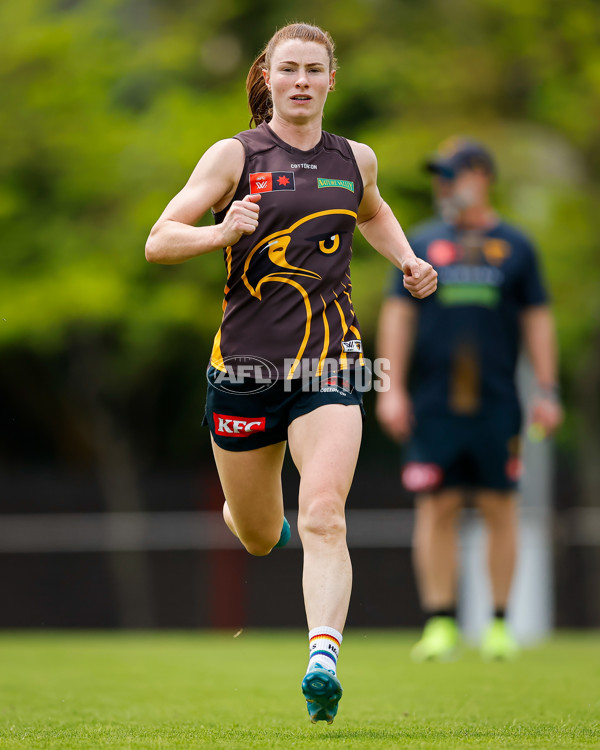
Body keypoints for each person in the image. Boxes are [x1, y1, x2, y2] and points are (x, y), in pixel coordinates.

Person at [145, 23, 437, 722]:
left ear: (332, 79)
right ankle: (257, 520)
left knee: (325, 514)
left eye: (314, 69)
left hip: (331, 364)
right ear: (268, 78)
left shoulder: (355, 160)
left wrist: (405, 258)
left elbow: (374, 210)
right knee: (255, 533)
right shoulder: (234, 156)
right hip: (243, 371)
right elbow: (158, 240)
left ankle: (322, 659)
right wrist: (220, 231)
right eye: (289, 70)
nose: (301, 80)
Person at [376, 137, 563, 661]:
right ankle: (440, 624)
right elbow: (398, 316)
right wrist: (389, 389)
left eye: (452, 174)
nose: (443, 185)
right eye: (440, 176)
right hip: (434, 404)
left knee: (500, 505)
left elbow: (538, 321)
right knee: (436, 506)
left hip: (498, 401)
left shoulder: (517, 247)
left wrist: (547, 389)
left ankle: (499, 625)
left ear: (481, 177)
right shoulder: (418, 242)